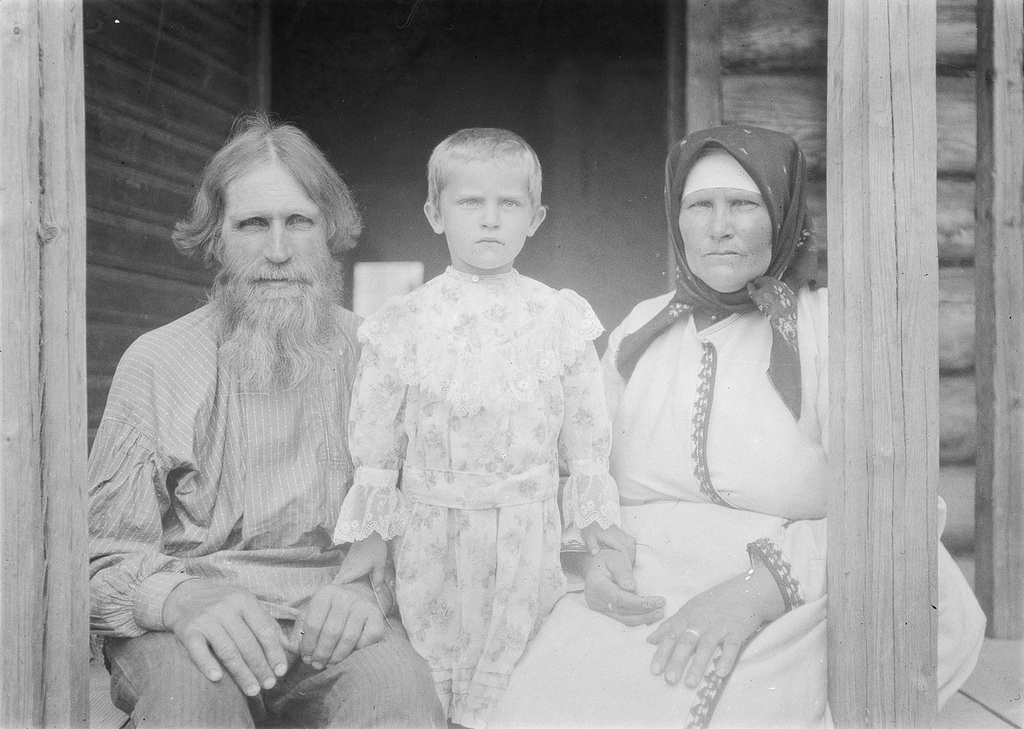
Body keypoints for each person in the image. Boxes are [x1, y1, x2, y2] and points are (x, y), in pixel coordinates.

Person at [490, 125, 987, 727]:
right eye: (699, 206)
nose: (719, 226)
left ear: (782, 215)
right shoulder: (642, 329)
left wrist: (757, 591)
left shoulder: (830, 328)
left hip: (801, 585)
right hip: (645, 581)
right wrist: (597, 559)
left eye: (744, 204)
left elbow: (900, 510)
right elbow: (583, 472)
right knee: (547, 702)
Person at [88, 113, 444, 728]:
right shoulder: (157, 361)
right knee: (194, 702)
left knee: (399, 691)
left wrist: (370, 593)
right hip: (191, 619)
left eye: (298, 222)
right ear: (217, 239)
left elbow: (432, 528)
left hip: (333, 618)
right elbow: (96, 558)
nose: (277, 252)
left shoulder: (383, 357)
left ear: (330, 230)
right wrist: (180, 598)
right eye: (252, 224)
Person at [331, 127, 632, 728]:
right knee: (428, 676)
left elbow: (586, 431)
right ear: (434, 214)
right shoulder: (404, 321)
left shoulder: (556, 316)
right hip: (430, 532)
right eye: (470, 203)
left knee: (521, 680)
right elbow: (376, 443)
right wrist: (371, 538)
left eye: (509, 204)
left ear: (536, 218)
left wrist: (597, 525)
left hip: (526, 531)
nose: (490, 220)